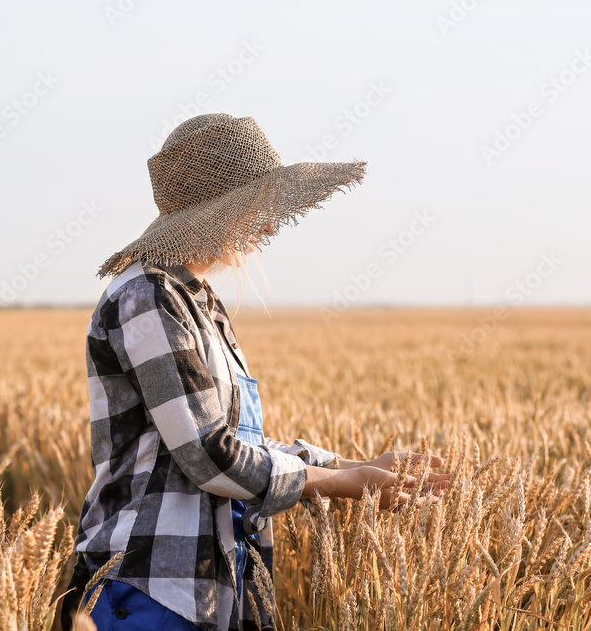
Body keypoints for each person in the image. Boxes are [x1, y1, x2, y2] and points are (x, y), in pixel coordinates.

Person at [59, 113, 452, 631]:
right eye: (257, 209)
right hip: (148, 586)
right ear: (218, 212)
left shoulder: (195, 300)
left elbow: (239, 441)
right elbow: (207, 456)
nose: (268, 227)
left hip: (206, 587)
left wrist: (354, 464)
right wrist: (339, 484)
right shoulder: (147, 297)